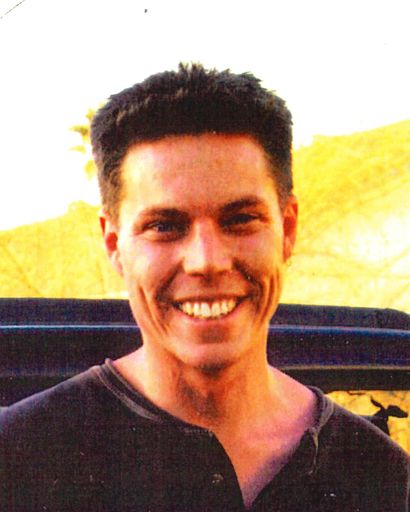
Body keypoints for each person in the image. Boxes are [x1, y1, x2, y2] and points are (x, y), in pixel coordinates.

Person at [1, 63, 409, 511]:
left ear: (288, 229)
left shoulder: (380, 475)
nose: (207, 261)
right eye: (164, 225)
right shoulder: (19, 459)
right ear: (114, 244)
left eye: (240, 219)